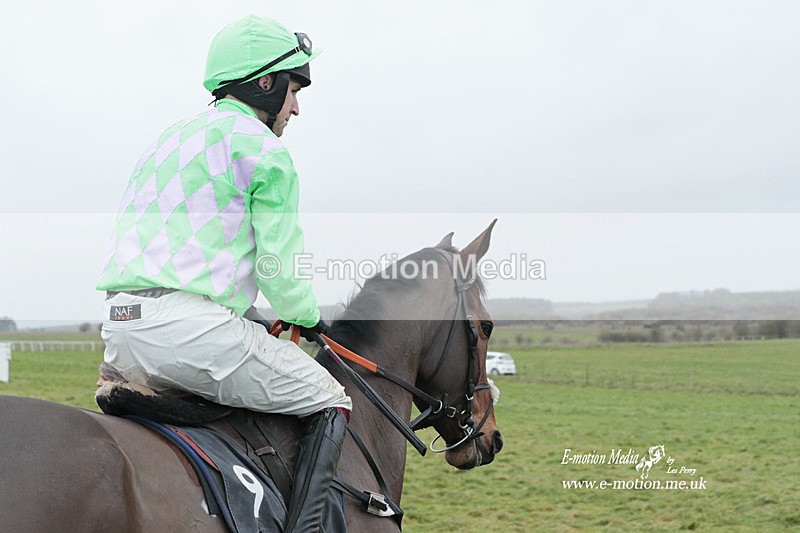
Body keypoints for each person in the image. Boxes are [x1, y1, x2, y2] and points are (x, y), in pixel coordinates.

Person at [97, 15, 351, 532]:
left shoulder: (170, 138)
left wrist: (252, 316)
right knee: (331, 396)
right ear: (267, 83)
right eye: (295, 90)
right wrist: (306, 318)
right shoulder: (266, 152)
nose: (297, 107)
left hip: (121, 329)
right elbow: (279, 267)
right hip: (191, 335)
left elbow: (186, 256)